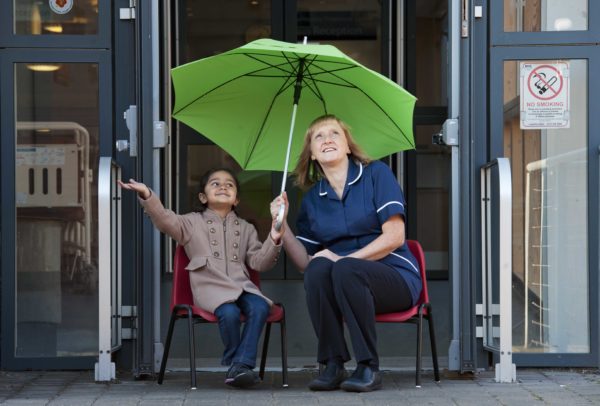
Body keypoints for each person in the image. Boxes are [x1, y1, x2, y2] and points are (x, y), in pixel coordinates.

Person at [271, 115, 422, 392]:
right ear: (313, 154)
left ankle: (368, 366)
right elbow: (306, 263)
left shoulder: (377, 174)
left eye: (334, 134)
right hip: (345, 283)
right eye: (318, 136)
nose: (327, 139)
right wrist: (281, 226)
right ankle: (333, 363)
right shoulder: (313, 199)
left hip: (395, 278)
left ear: (348, 146)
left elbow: (394, 237)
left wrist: (343, 259)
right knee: (319, 270)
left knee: (344, 268)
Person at [118, 168, 283, 388]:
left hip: (242, 287)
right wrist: (148, 195)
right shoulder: (190, 223)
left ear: (236, 200)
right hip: (210, 290)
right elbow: (164, 220)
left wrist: (274, 236)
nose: (223, 186)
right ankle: (240, 365)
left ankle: (239, 365)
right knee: (229, 312)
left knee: (261, 307)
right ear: (203, 197)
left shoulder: (246, 229)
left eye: (229, 184)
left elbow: (260, 262)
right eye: (215, 183)